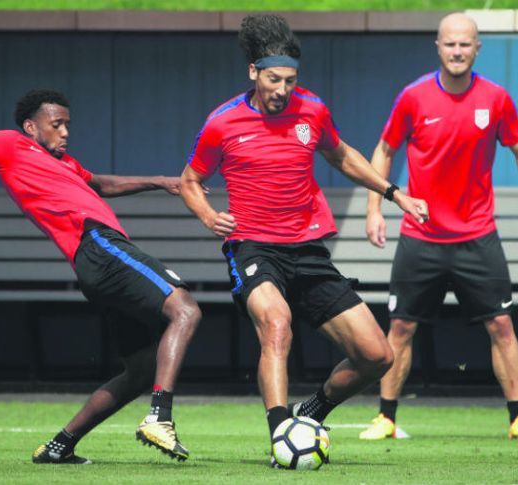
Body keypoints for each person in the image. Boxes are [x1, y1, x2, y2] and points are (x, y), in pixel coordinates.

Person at [179, 14, 429, 467]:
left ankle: (311, 413)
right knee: (277, 324)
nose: (282, 89)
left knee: (377, 355)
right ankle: (280, 434)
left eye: (290, 80)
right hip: (253, 246)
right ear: (253, 72)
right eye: (274, 79)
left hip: (308, 248)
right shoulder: (223, 122)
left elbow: (342, 154)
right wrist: (208, 215)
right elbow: (190, 180)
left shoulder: (312, 109)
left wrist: (395, 194)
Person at [0, 89, 202, 463]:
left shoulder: (65, 163)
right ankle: (160, 417)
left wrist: (162, 181)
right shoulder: (8, 144)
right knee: (186, 310)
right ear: (31, 127)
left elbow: (99, 184)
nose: (65, 132)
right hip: (98, 243)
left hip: (95, 262)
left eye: (67, 124)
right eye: (57, 124)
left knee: (142, 370)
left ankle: (59, 446)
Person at [359, 13, 518, 442]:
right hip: (420, 236)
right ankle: (386, 417)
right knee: (401, 328)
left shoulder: (496, 98)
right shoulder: (413, 97)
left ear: (477, 48)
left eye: (466, 44)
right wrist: (375, 208)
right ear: (438, 47)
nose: (458, 51)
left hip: (477, 235)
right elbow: (384, 150)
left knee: (501, 326)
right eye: (450, 44)